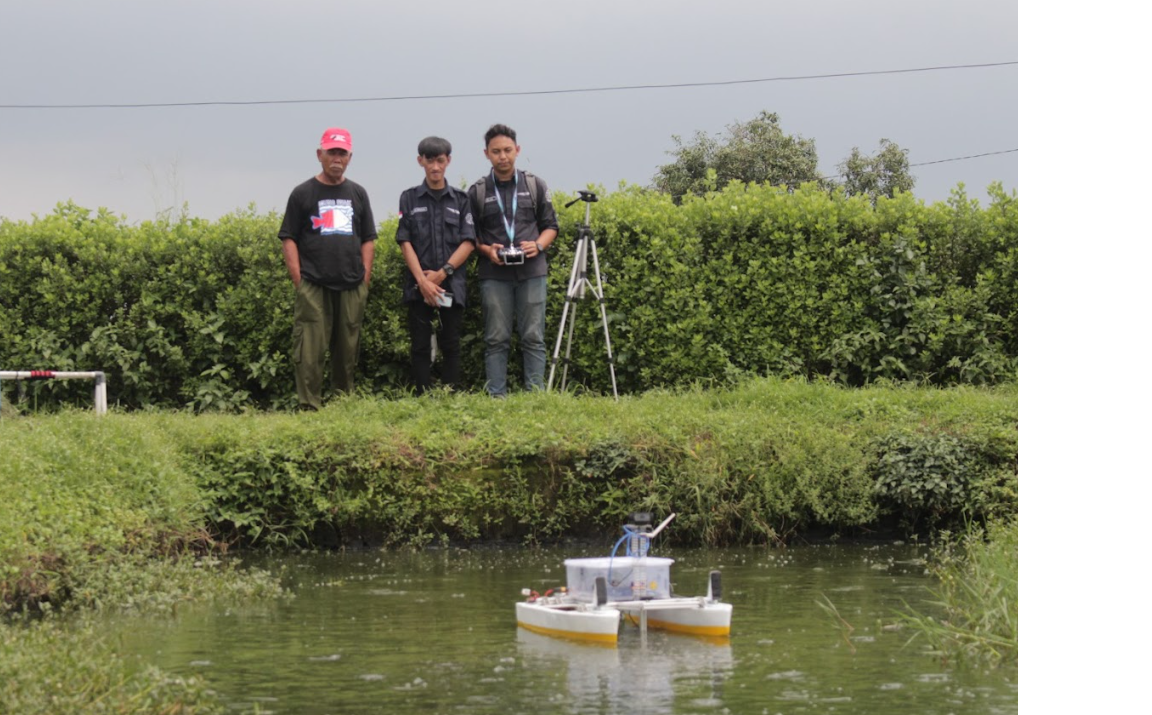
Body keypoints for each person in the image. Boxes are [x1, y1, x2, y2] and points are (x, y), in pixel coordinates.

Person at [277, 127, 378, 410]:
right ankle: (309, 406)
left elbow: (368, 239)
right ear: (319, 154)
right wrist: (299, 280)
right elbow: (288, 238)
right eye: (331, 152)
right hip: (313, 284)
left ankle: (342, 404)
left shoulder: (358, 193)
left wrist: (364, 279)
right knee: (309, 349)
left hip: (351, 284)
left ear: (350, 157)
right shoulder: (302, 193)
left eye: (342, 153)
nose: (337, 158)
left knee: (347, 349)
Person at [467, 124, 559, 397]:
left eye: (507, 150)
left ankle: (536, 397)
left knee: (534, 337)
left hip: (532, 272)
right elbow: (469, 237)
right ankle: (497, 398)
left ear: (517, 150)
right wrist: (487, 250)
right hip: (494, 274)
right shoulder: (477, 191)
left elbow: (551, 226)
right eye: (496, 151)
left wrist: (538, 245)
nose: (503, 156)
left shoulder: (535, 185)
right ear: (486, 154)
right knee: (496, 339)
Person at [395, 136, 476, 394]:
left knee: (451, 343)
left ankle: (450, 398)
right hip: (418, 286)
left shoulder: (461, 199)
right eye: (429, 161)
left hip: (450, 284)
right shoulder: (409, 198)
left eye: (440, 160)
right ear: (420, 161)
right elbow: (404, 241)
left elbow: (469, 242)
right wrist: (423, 282)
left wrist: (440, 275)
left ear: (448, 161)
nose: (435, 167)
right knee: (419, 345)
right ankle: (422, 396)